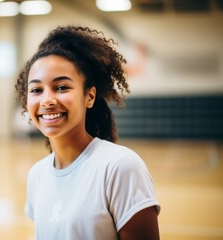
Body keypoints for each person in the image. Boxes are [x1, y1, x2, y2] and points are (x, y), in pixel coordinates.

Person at [15, 25, 160, 240]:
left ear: (89, 96)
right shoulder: (37, 175)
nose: (46, 100)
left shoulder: (120, 167)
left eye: (62, 87)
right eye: (36, 90)